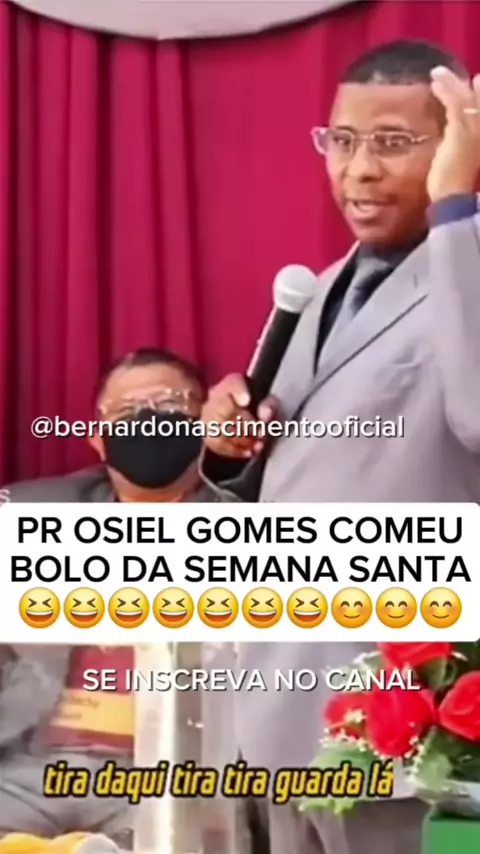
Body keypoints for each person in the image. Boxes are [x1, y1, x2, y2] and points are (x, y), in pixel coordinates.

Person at [199, 39, 480, 854]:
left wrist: (457, 209)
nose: (358, 170)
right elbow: (288, 484)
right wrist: (231, 453)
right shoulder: (316, 291)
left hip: (413, 735)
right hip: (283, 714)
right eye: (343, 140)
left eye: (393, 142)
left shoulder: (466, 268)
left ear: (458, 144)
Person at [0, 347, 219, 840]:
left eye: (171, 405)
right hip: (29, 767)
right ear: (98, 439)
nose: (150, 421)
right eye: (127, 411)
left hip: (162, 772)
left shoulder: (247, 518)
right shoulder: (33, 513)